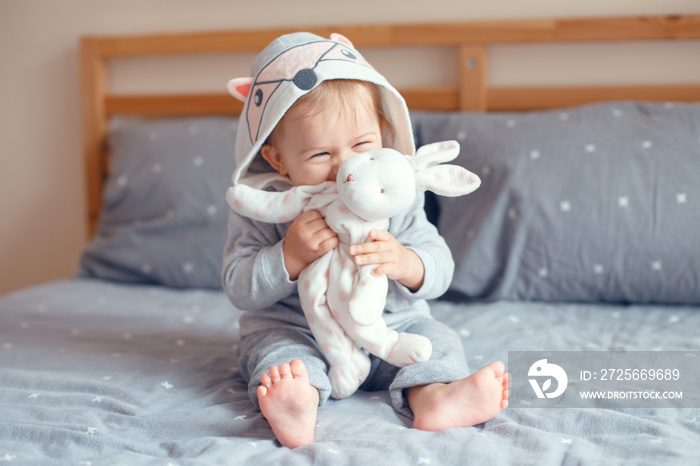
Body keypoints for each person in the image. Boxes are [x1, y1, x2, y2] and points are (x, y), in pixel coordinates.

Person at [222, 32, 509, 449]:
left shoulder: (393, 196)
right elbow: (238, 285)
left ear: (384, 132)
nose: (346, 169)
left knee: (437, 340)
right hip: (301, 331)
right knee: (279, 357)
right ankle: (298, 402)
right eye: (321, 155)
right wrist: (288, 256)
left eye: (361, 145)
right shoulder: (263, 204)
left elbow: (440, 267)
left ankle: (434, 397)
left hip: (394, 329)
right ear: (278, 159)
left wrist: (406, 262)